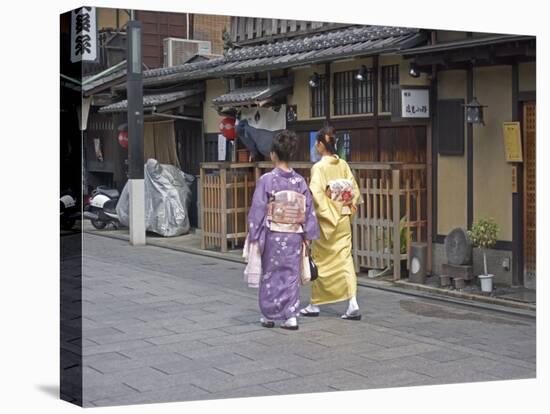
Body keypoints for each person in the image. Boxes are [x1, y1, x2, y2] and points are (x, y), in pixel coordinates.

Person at [245, 130, 320, 330]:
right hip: (294, 235)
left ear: (273, 154)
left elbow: (258, 209)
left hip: (274, 235)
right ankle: (290, 316)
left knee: (270, 274)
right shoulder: (300, 182)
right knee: (290, 275)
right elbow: (308, 210)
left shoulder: (267, 180)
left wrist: (254, 233)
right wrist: (308, 235)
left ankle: (269, 314)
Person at [300, 126, 362, 320]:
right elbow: (353, 190)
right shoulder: (342, 164)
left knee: (320, 261)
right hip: (343, 218)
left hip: (326, 221)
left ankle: (315, 304)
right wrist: (346, 209)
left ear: (320, 144)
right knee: (345, 260)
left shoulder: (319, 167)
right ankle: (352, 302)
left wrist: (326, 214)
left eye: (316, 143)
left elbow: (317, 194)